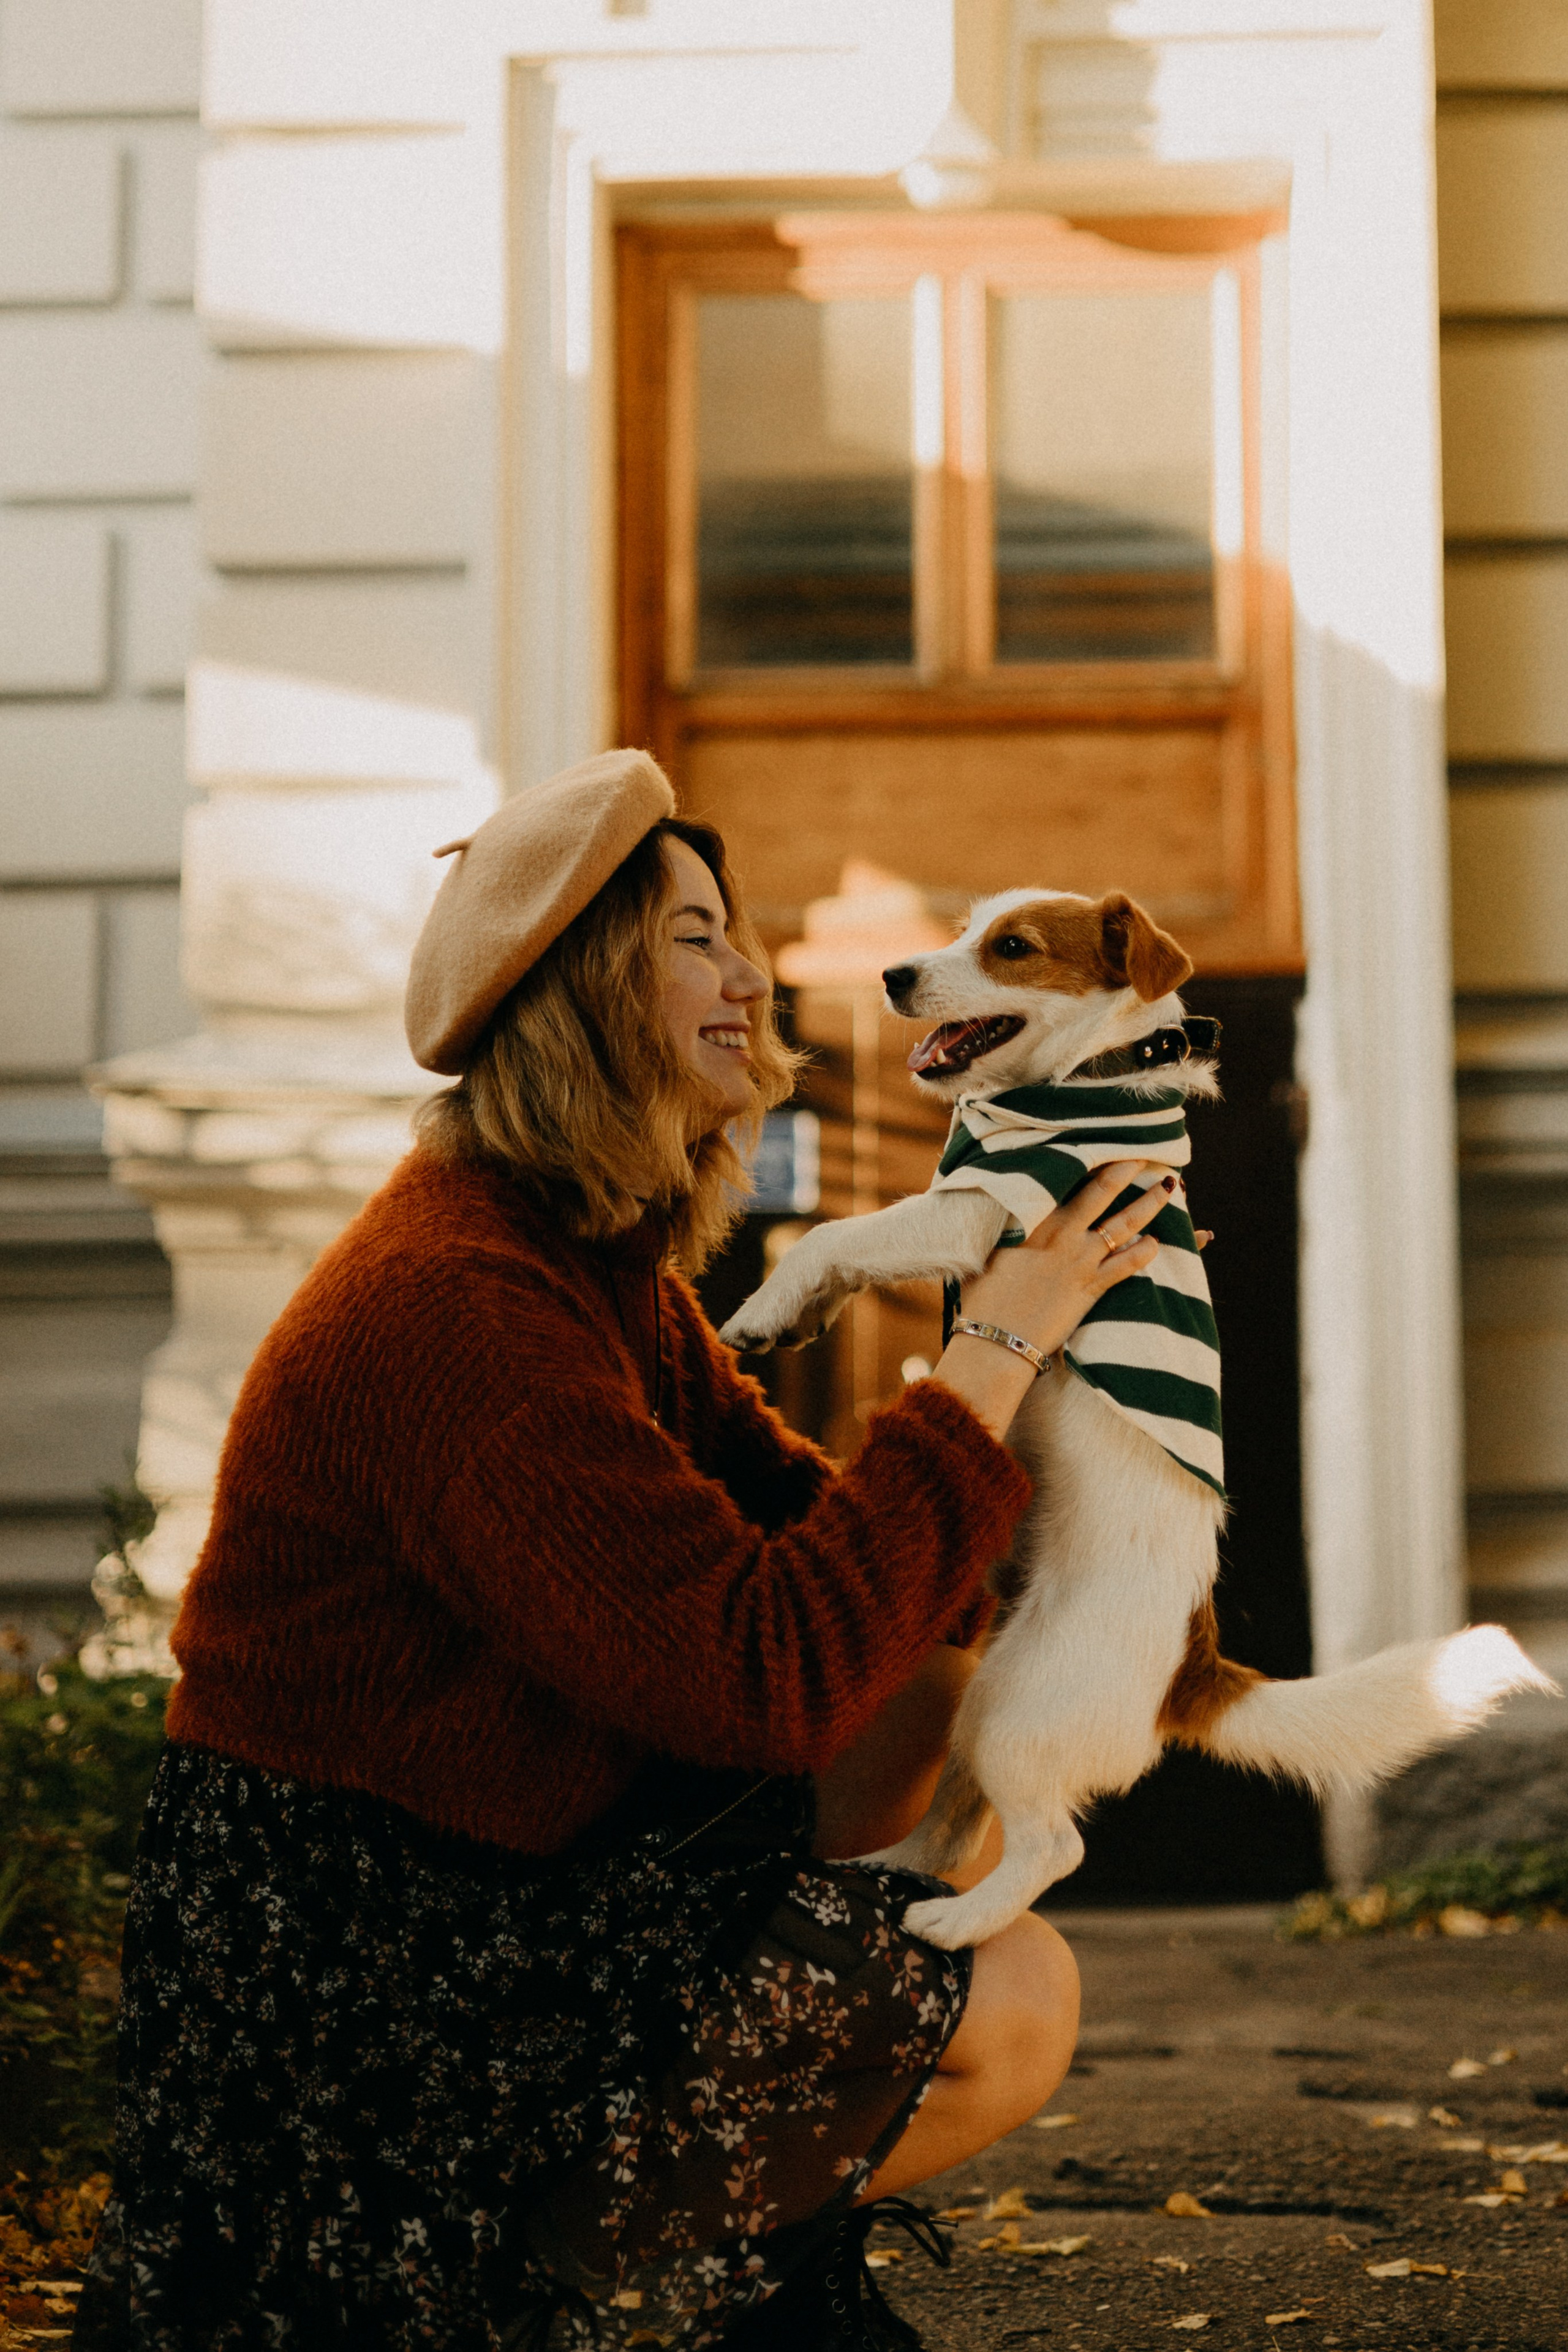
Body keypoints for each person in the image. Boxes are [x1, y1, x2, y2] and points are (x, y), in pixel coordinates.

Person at [75, 750, 1168, 2352]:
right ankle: (547, 2295)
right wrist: (989, 1351)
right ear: (583, 987)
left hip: (523, 1858)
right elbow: (768, 1680)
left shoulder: (587, 1261)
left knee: (954, 1730)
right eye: (695, 939)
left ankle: (640, 2267)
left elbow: (818, 1556)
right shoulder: (455, 1309)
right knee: (1005, 2002)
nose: (750, 976)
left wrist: (1100, 1522)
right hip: (371, 1978)